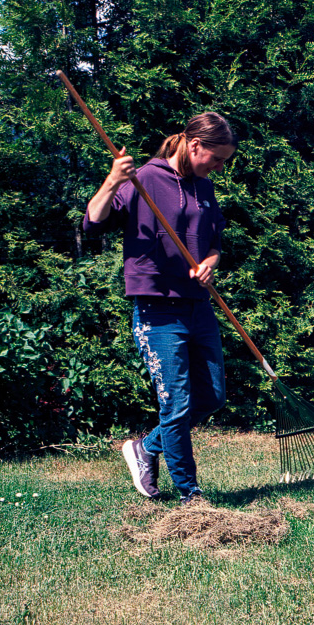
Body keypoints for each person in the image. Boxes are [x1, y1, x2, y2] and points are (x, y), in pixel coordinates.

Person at [83, 112, 238, 505]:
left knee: (213, 397)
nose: (220, 167)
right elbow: (93, 222)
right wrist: (112, 180)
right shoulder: (145, 179)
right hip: (156, 309)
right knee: (177, 401)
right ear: (194, 145)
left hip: (197, 307)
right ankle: (191, 495)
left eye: (225, 161)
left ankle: (145, 448)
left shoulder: (205, 187)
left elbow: (216, 241)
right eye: (216, 158)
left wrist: (210, 263)